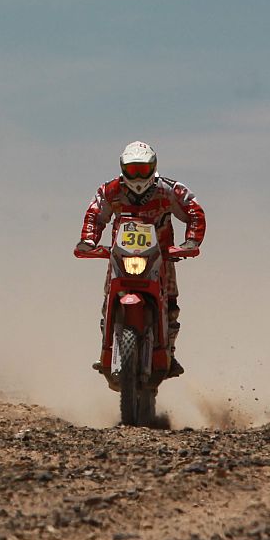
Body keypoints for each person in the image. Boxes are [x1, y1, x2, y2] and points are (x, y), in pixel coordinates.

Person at [74, 140, 206, 378]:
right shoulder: (110, 190)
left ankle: (170, 354)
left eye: (142, 169)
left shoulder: (169, 190)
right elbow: (95, 214)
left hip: (161, 257)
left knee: (172, 306)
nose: (137, 176)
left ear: (153, 168)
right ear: (123, 168)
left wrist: (191, 242)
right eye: (132, 169)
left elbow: (194, 211)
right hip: (120, 256)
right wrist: (89, 242)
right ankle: (106, 351)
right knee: (107, 302)